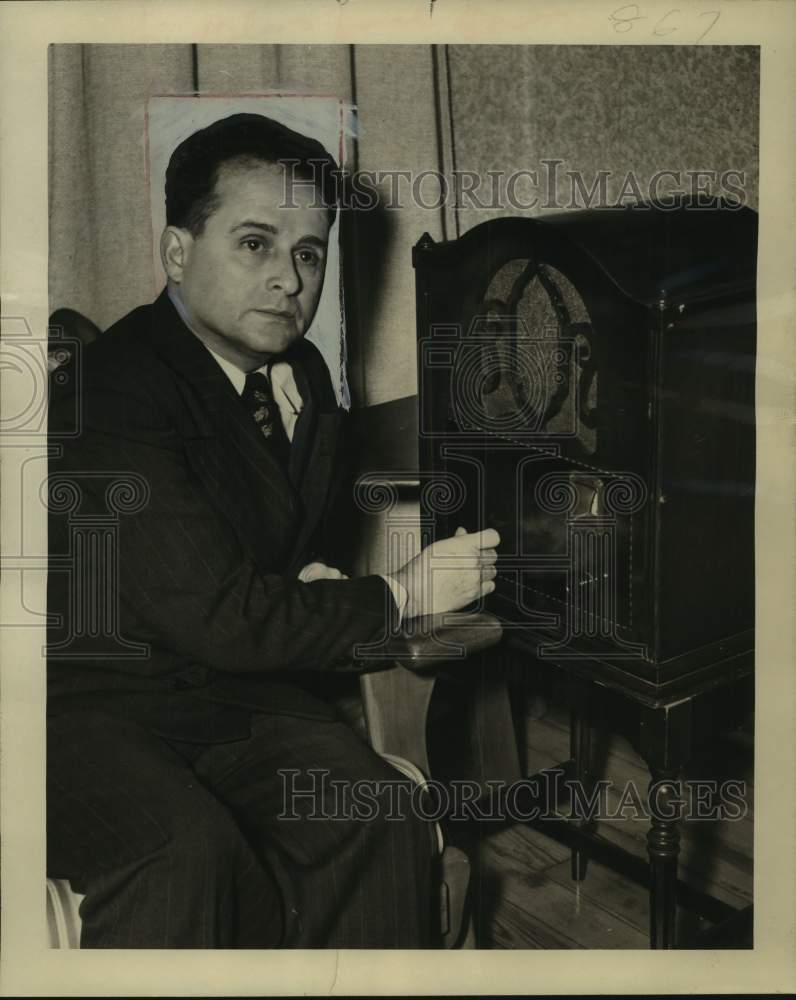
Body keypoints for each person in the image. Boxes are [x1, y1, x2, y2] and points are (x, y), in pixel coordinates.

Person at [46, 112, 499, 948]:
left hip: (231, 693)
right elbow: (224, 613)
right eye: (255, 243)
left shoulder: (304, 375)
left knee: (381, 817)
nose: (290, 278)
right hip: (79, 710)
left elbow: (269, 557)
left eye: (309, 251)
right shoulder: (110, 393)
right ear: (178, 252)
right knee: (183, 855)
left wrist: (312, 583)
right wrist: (399, 596)